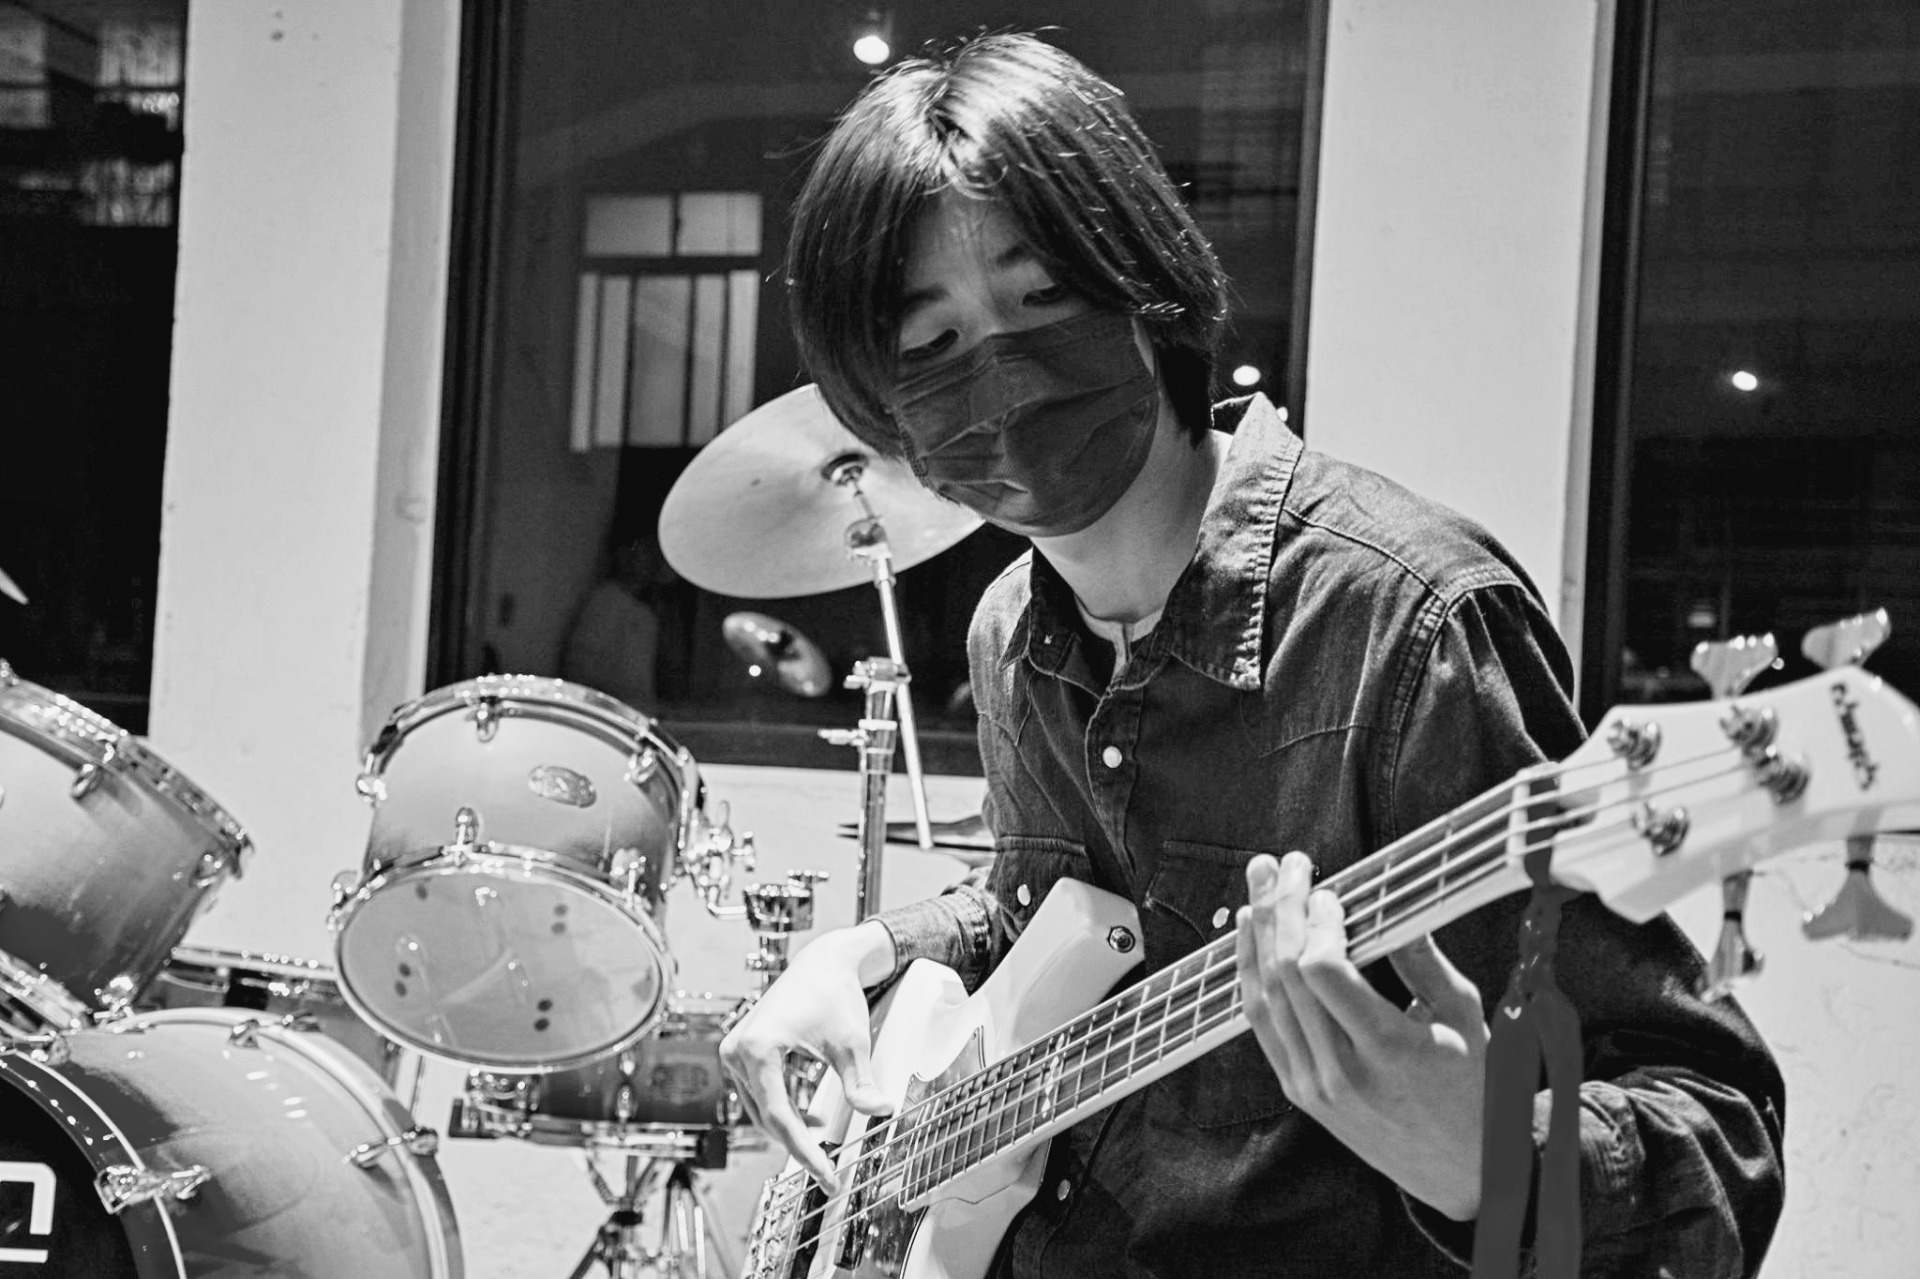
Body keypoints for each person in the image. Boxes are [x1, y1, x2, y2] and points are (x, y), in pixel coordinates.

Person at [720, 33, 1784, 1279]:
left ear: (1144, 284)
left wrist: (1492, 1161)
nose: (998, 374)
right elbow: (1041, 909)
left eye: (1041, 296)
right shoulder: (1012, 630)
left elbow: (1716, 1135)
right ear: (883, 410)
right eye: (930, 343)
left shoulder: (1412, 626)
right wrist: (862, 953)